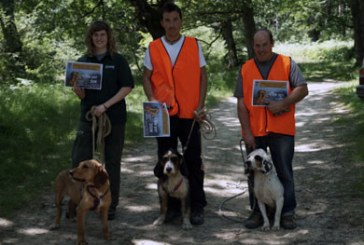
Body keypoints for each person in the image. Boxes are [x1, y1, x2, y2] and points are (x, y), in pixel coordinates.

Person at [234, 28, 308, 229]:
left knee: (284, 171)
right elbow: (241, 103)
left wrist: (283, 103)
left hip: (282, 130)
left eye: (264, 45)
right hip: (255, 131)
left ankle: (288, 212)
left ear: (272, 43)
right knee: (253, 173)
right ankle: (257, 212)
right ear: (253, 45)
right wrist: (247, 131)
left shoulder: (287, 63)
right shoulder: (245, 68)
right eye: (257, 46)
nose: (261, 49)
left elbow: (303, 88)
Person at [142, 2, 208, 225]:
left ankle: (197, 205)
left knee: (193, 160)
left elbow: (203, 77)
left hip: (190, 114)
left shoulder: (193, 45)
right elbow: (146, 78)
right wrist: (152, 100)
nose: (171, 25)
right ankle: (169, 208)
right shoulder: (152, 47)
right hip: (162, 114)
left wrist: (200, 105)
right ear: (162, 23)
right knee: (164, 162)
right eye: (167, 21)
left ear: (181, 21)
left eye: (175, 20)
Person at [71, 20, 134, 220]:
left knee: (112, 162)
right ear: (91, 38)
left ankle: (110, 204)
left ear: (108, 37)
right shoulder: (82, 62)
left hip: (114, 119)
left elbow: (127, 86)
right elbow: (82, 94)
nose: (99, 38)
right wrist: (79, 93)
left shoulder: (118, 61)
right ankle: (77, 201)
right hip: (88, 118)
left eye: (103, 35)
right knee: (79, 160)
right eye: (95, 35)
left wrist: (105, 106)